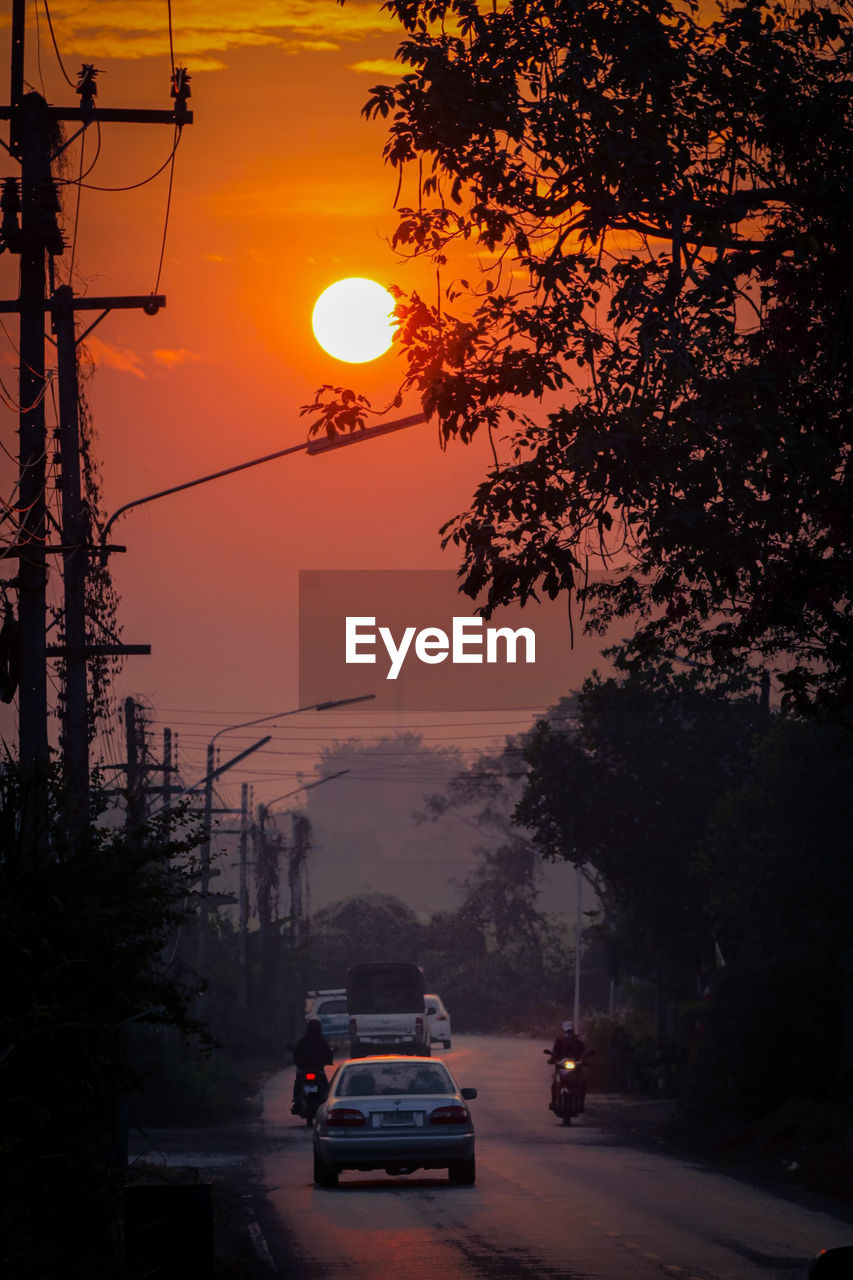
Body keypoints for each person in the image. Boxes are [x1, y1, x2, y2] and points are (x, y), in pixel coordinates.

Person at [291, 1018, 334, 1113]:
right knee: (324, 1084)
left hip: (308, 1070)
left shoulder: (303, 1041)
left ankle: (296, 1099)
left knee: (299, 1082)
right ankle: (324, 1099)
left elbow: (296, 1053)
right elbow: (328, 1054)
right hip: (314, 1070)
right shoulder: (322, 1041)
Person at [548, 1020, 587, 1113]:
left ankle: (580, 1103)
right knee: (555, 1083)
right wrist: (552, 1060)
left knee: (582, 1083)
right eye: (567, 1031)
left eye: (569, 1031)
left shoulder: (578, 1041)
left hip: (575, 1068)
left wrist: (584, 1061)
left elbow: (583, 1053)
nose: (568, 1033)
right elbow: (554, 1053)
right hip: (561, 1067)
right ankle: (555, 1102)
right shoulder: (559, 1041)